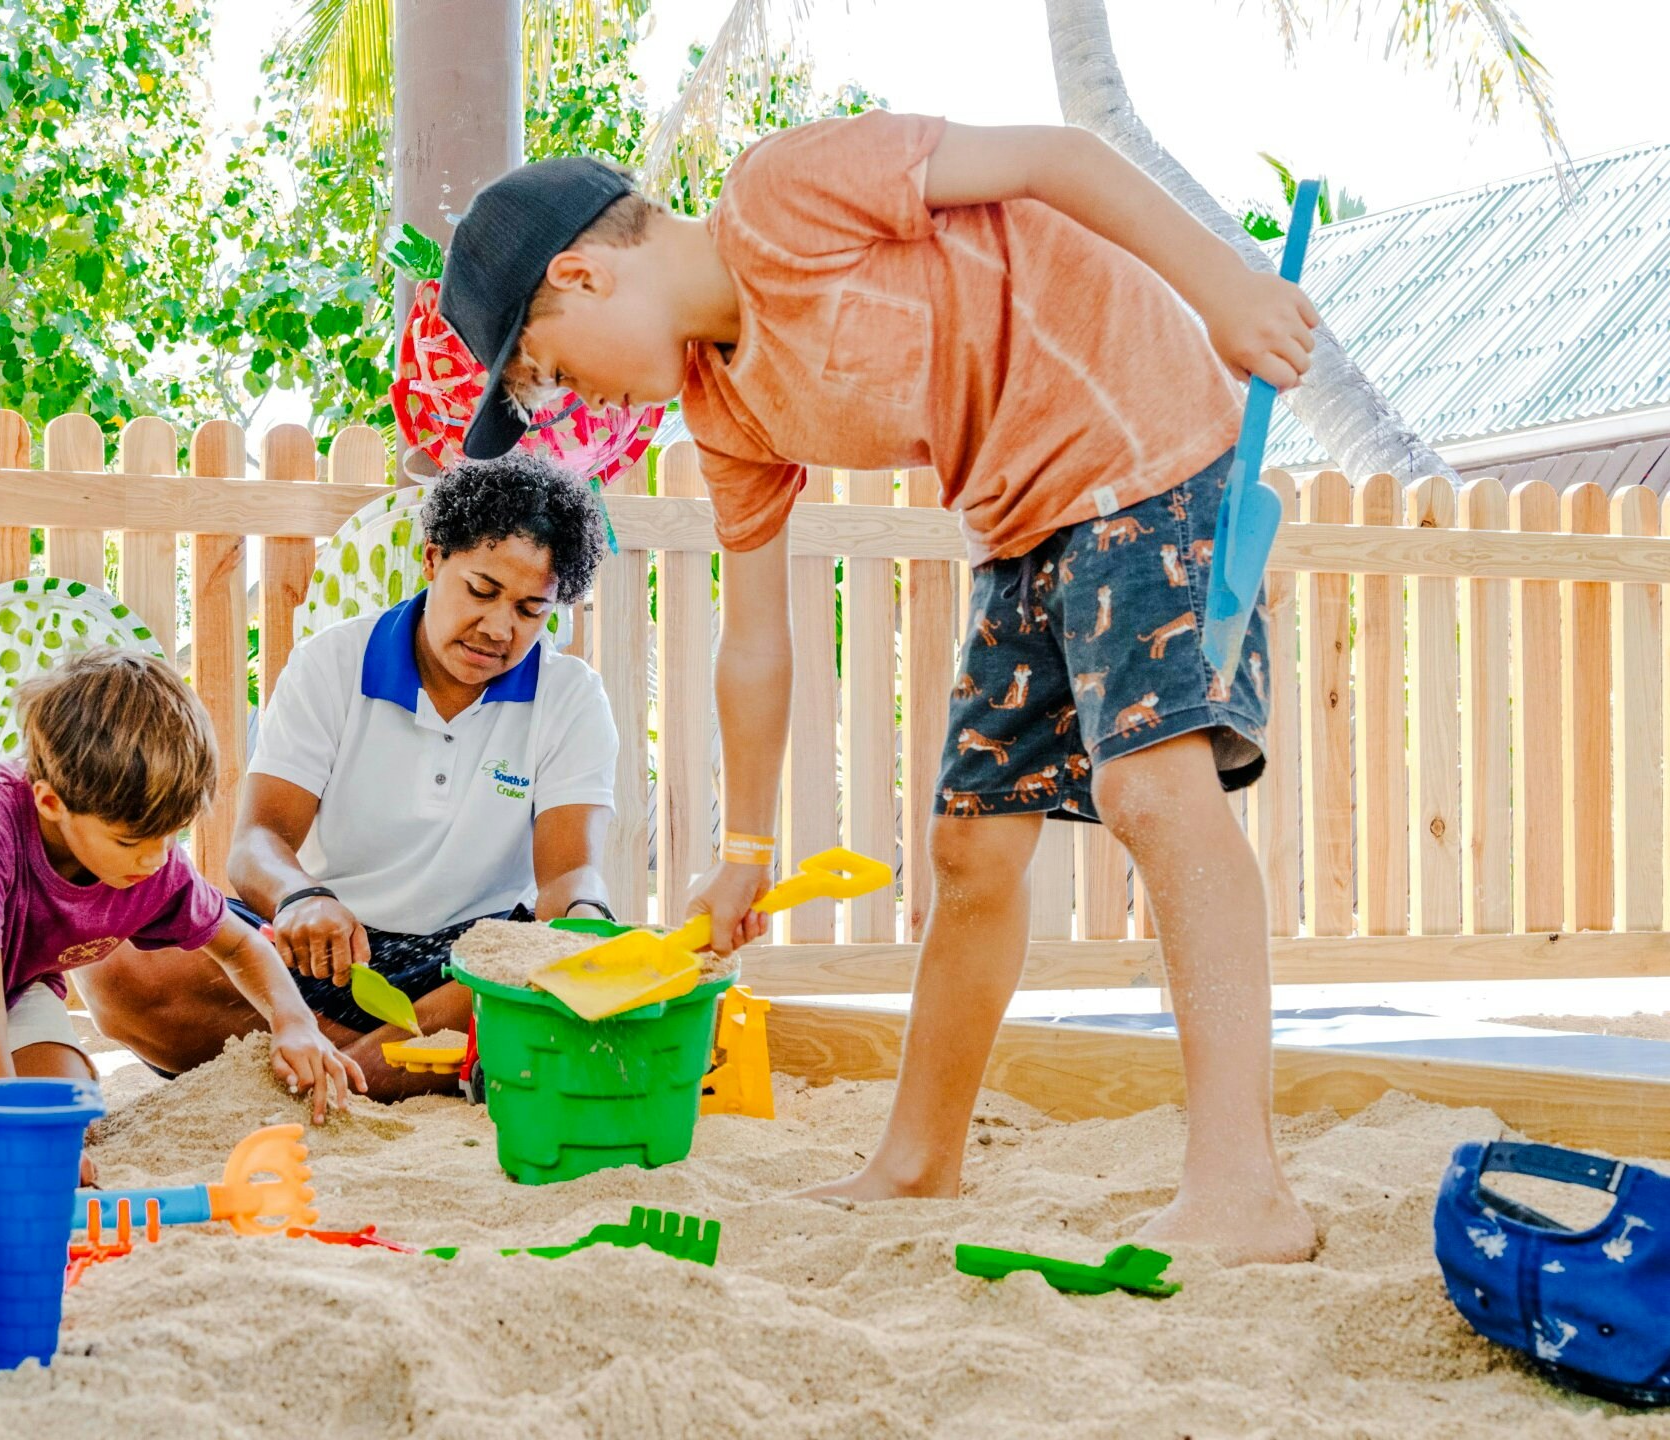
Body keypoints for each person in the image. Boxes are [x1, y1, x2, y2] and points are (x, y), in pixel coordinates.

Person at [439, 113, 1321, 1265]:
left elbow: (1050, 160)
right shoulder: (725, 408)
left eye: (551, 369)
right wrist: (745, 852)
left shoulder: (782, 196)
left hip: (1146, 441)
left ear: (583, 273)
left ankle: (1242, 1190)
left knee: (1154, 794)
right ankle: (917, 1162)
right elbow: (754, 643)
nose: (575, 404)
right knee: (971, 849)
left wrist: (1224, 288)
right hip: (1021, 518)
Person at [77, 452, 620, 1095]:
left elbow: (566, 877)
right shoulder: (331, 663)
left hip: (468, 966)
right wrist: (303, 898)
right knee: (113, 958)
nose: (500, 627)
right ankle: (404, 1064)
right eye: (482, 590)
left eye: (532, 610)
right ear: (433, 558)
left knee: (526, 968)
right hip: (330, 950)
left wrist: (586, 921)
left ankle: (334, 1071)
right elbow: (256, 847)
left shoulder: (572, 697)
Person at [0, 649, 364, 1168]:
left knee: (70, 1121)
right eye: (129, 842)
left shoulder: (150, 856)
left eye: (171, 837)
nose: (154, 860)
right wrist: (9, 1137)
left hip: (14, 994)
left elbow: (239, 944)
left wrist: (295, 1023)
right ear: (51, 801)